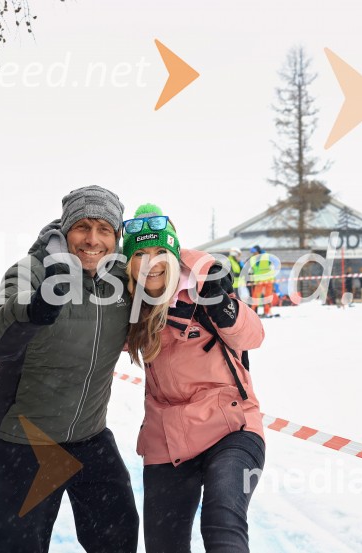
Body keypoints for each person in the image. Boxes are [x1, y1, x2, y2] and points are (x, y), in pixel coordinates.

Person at [0, 186, 139, 553]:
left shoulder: (123, 280)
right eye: (83, 226)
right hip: (25, 440)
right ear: (66, 230)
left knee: (119, 532)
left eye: (104, 229)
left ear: (116, 237)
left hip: (89, 435)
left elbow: (163, 263)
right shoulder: (33, 270)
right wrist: (32, 311)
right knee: (20, 546)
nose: (93, 239)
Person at [122, 204, 266, 553]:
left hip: (231, 428)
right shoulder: (126, 306)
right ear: (129, 264)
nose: (152, 261)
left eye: (160, 252)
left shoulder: (204, 289)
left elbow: (253, 338)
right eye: (140, 253)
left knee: (223, 523)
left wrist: (225, 306)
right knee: (164, 545)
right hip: (166, 440)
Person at [249, 244, 277, 318]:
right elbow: (252, 270)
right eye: (253, 253)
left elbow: (274, 266)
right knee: (256, 297)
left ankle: (267, 312)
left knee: (267, 297)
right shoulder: (253, 259)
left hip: (268, 281)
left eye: (255, 252)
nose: (254, 254)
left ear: (258, 251)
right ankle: (253, 312)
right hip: (259, 281)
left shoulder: (267, 256)